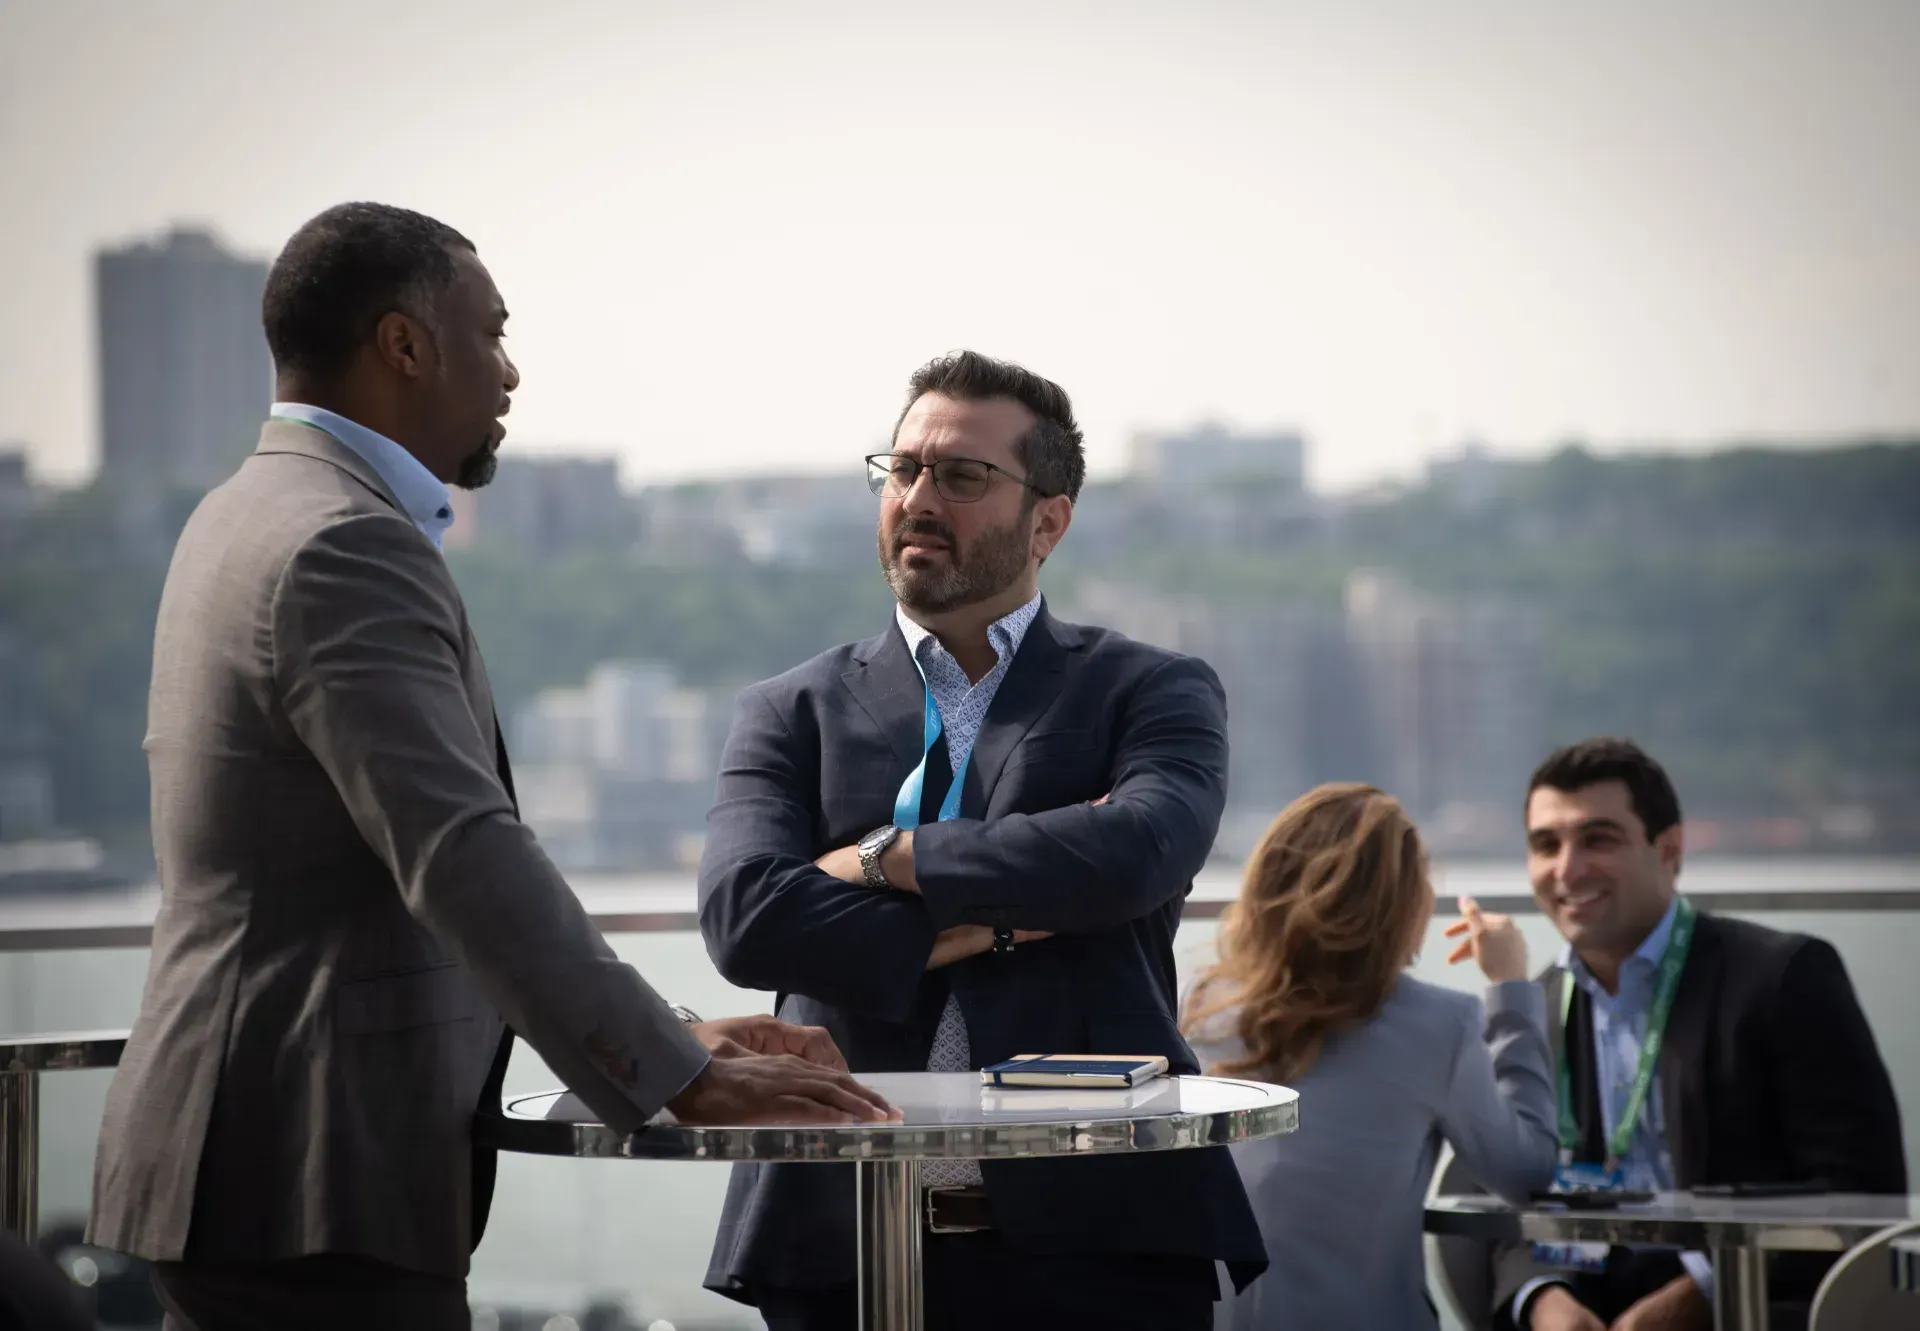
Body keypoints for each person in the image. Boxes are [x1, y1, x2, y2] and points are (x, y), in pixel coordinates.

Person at [87, 202, 892, 1331]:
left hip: (253, 1158)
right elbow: (459, 855)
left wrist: (669, 1030)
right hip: (313, 1169)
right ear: (403, 345)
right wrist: (678, 1073)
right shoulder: (342, 541)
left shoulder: (241, 512)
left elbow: (373, 876)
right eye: (492, 333)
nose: (510, 372)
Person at [696, 350, 1266, 1329]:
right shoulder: (789, 710)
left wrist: (884, 857)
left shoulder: (1149, 688)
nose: (920, 498)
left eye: (962, 476)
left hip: (1106, 1239)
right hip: (837, 1243)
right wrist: (997, 917)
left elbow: (1136, 851)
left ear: (1049, 520)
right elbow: (746, 917)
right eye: (903, 469)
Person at [1496, 738, 1906, 1331]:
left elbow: (1863, 1190)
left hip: (1749, 1309)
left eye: (1598, 839)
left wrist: (1702, 1294)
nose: (1567, 869)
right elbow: (1507, 1193)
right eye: (1545, 845)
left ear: (1669, 849)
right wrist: (1544, 1300)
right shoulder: (1534, 1006)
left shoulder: (1784, 977)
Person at [1181, 782, 1557, 1329]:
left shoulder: (1195, 1010)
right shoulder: (1440, 1025)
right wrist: (1512, 989)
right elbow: (1524, 1173)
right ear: (1403, 905)